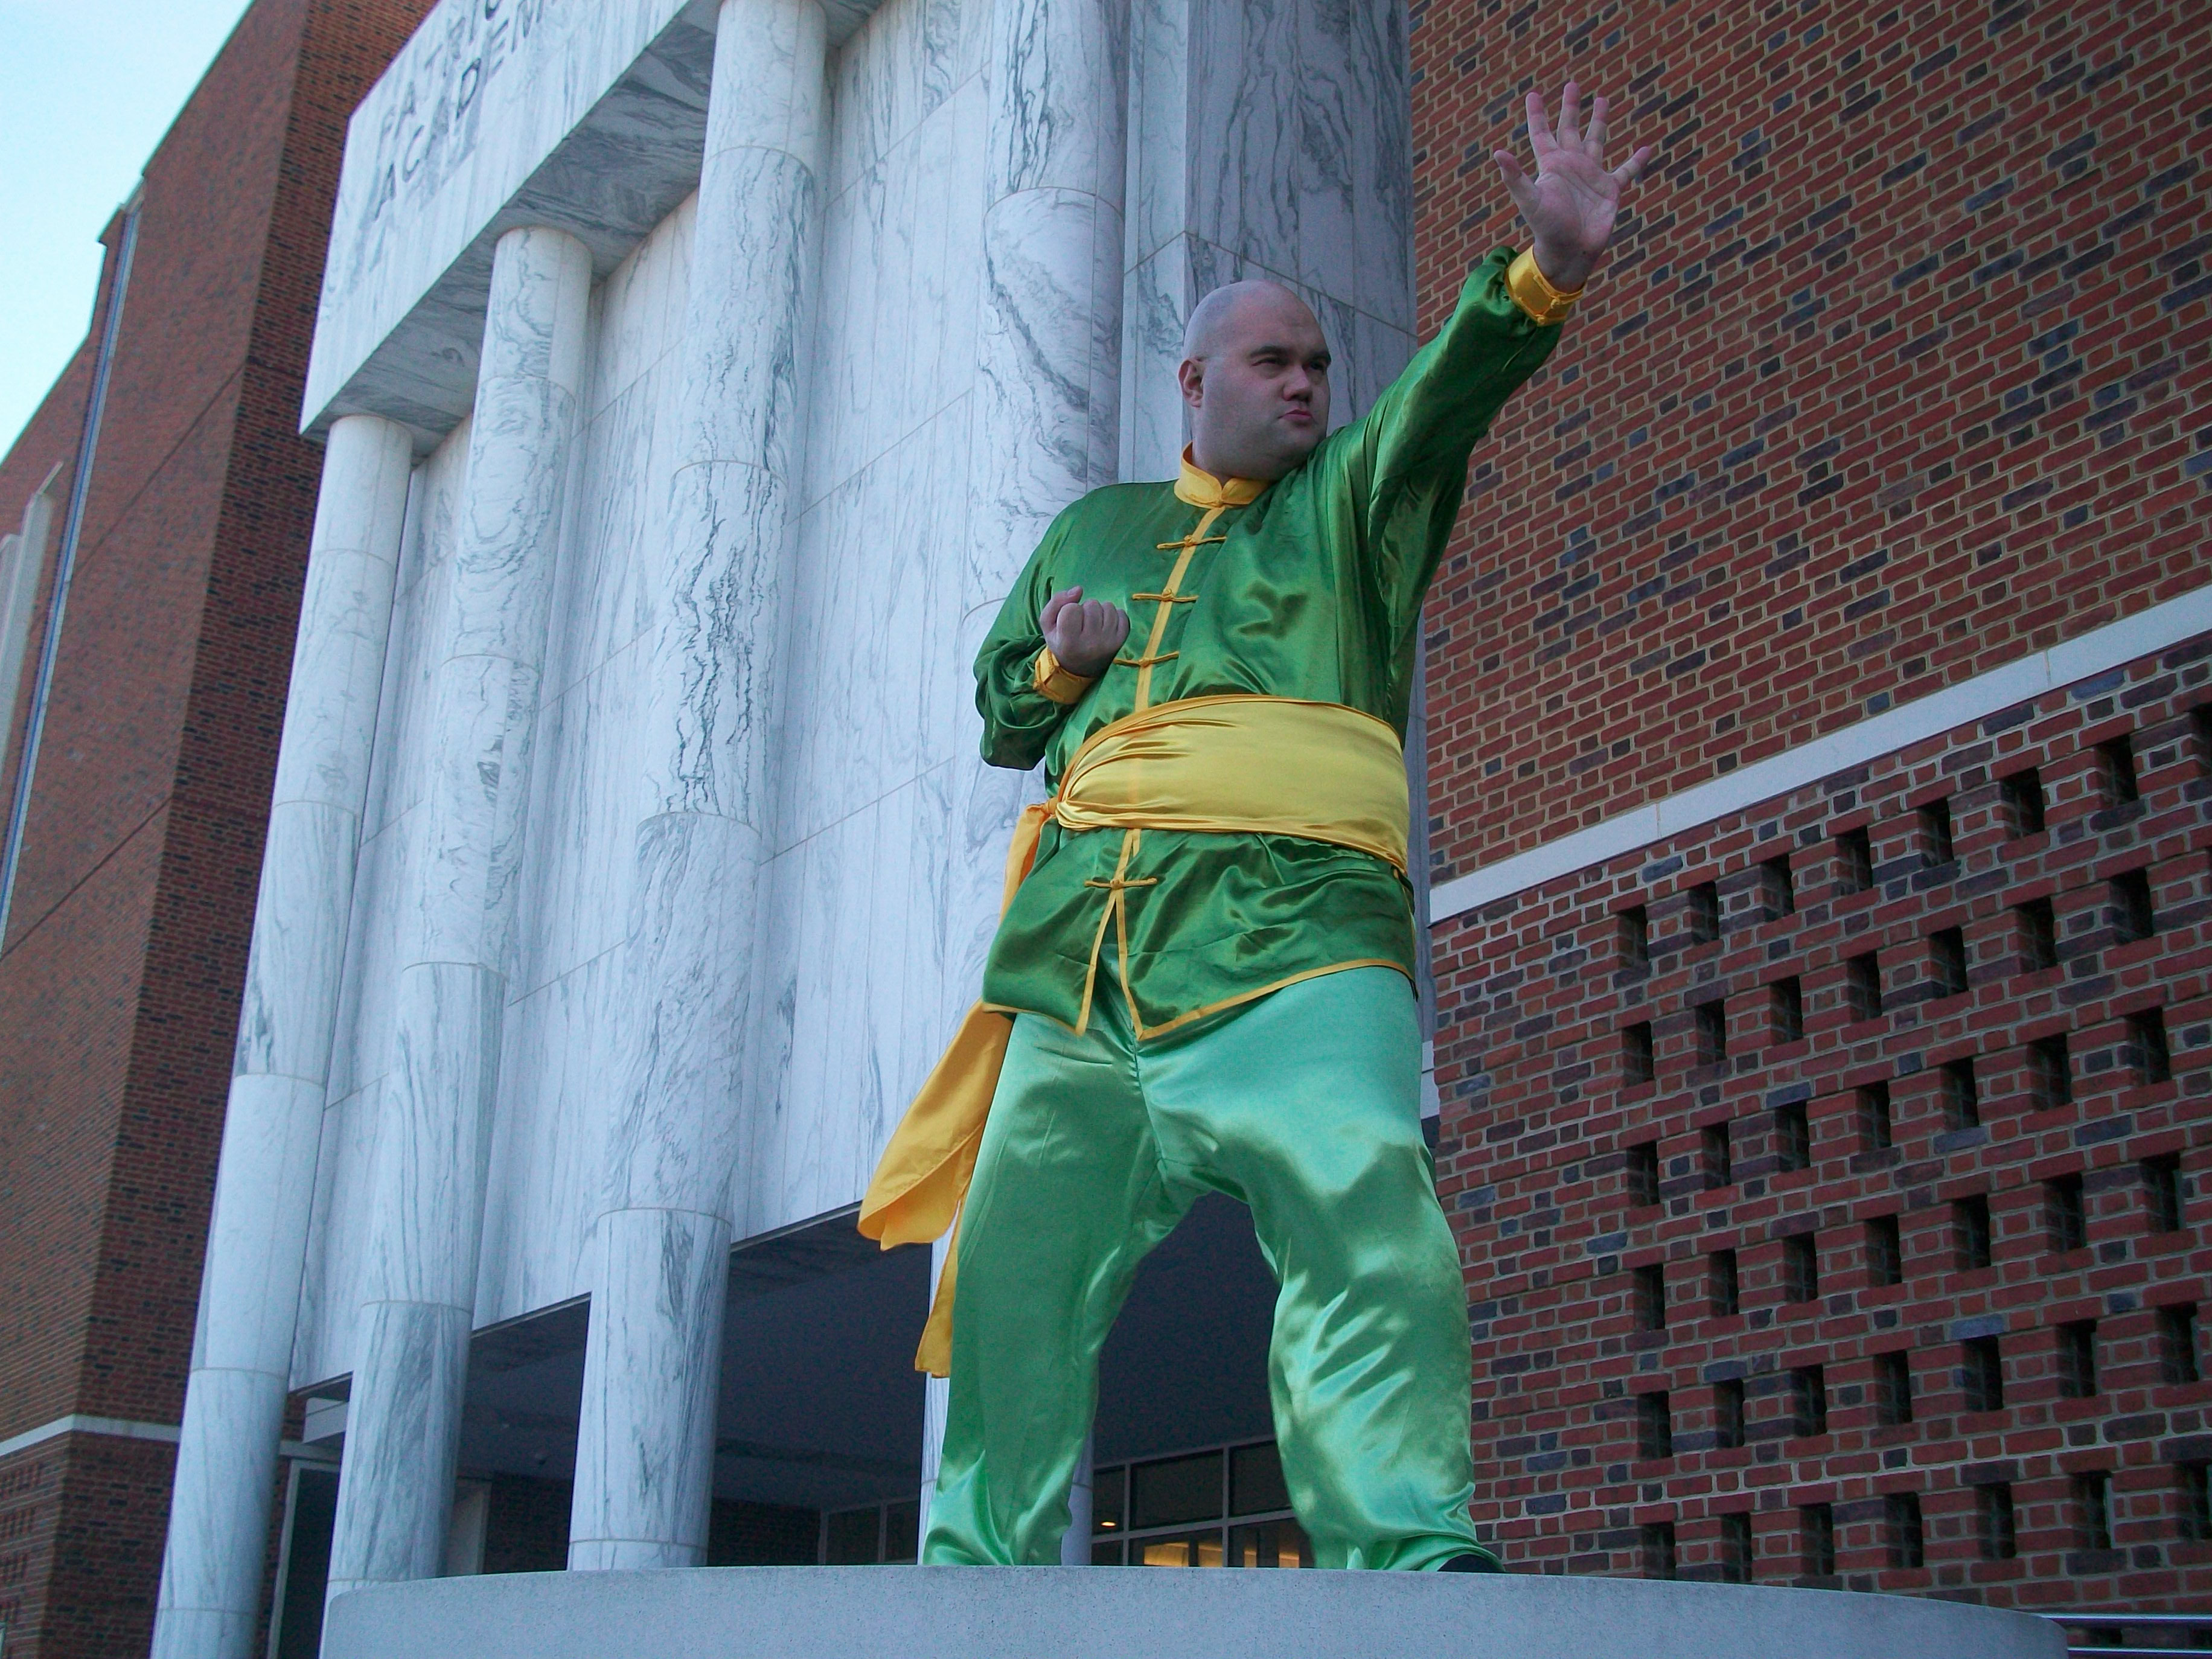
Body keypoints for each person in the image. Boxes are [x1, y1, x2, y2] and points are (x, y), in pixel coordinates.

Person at [861, 84, 1652, 1571]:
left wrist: (1542, 270)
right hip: (1082, 968)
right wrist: (1061, 670)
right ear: (1192, 379)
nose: (1305, 386)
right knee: (1014, 1265)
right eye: (1272, 361)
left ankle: (1404, 1547)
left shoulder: (1358, 499)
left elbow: (1443, 392)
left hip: (1301, 943)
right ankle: (974, 1574)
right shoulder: (1091, 528)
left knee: (1365, 1201)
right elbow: (1000, 718)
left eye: (1317, 365)